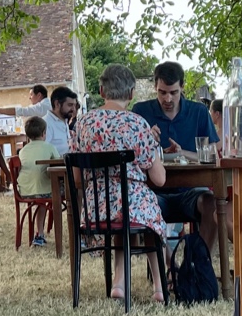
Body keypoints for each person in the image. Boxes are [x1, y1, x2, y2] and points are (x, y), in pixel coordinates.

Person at [68, 63, 168, 300]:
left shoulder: (82, 124)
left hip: (95, 210)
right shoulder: (137, 124)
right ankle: (160, 287)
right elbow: (159, 179)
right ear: (132, 94)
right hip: (132, 205)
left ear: (101, 91)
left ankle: (119, 284)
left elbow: (76, 178)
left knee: (125, 216)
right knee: (150, 219)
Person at [133, 61, 219, 252]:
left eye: (173, 92)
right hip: (153, 192)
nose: (168, 98)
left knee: (212, 203)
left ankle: (199, 261)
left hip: (191, 190)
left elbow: (213, 156)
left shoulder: (199, 112)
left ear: (182, 87)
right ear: (155, 87)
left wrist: (182, 153)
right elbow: (131, 158)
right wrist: (146, 140)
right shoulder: (140, 112)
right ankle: (164, 266)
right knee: (144, 202)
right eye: (162, 92)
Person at [16, 115, 58, 245]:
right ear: (44, 133)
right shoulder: (49, 147)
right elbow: (58, 165)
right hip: (45, 191)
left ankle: (39, 234)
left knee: (41, 199)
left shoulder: (22, 150)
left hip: (24, 191)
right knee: (48, 195)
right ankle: (41, 233)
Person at [42, 85, 79, 156]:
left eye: (74, 105)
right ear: (57, 104)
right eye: (70, 105)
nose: (73, 109)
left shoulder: (64, 120)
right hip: (56, 163)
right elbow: (43, 153)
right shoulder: (46, 123)